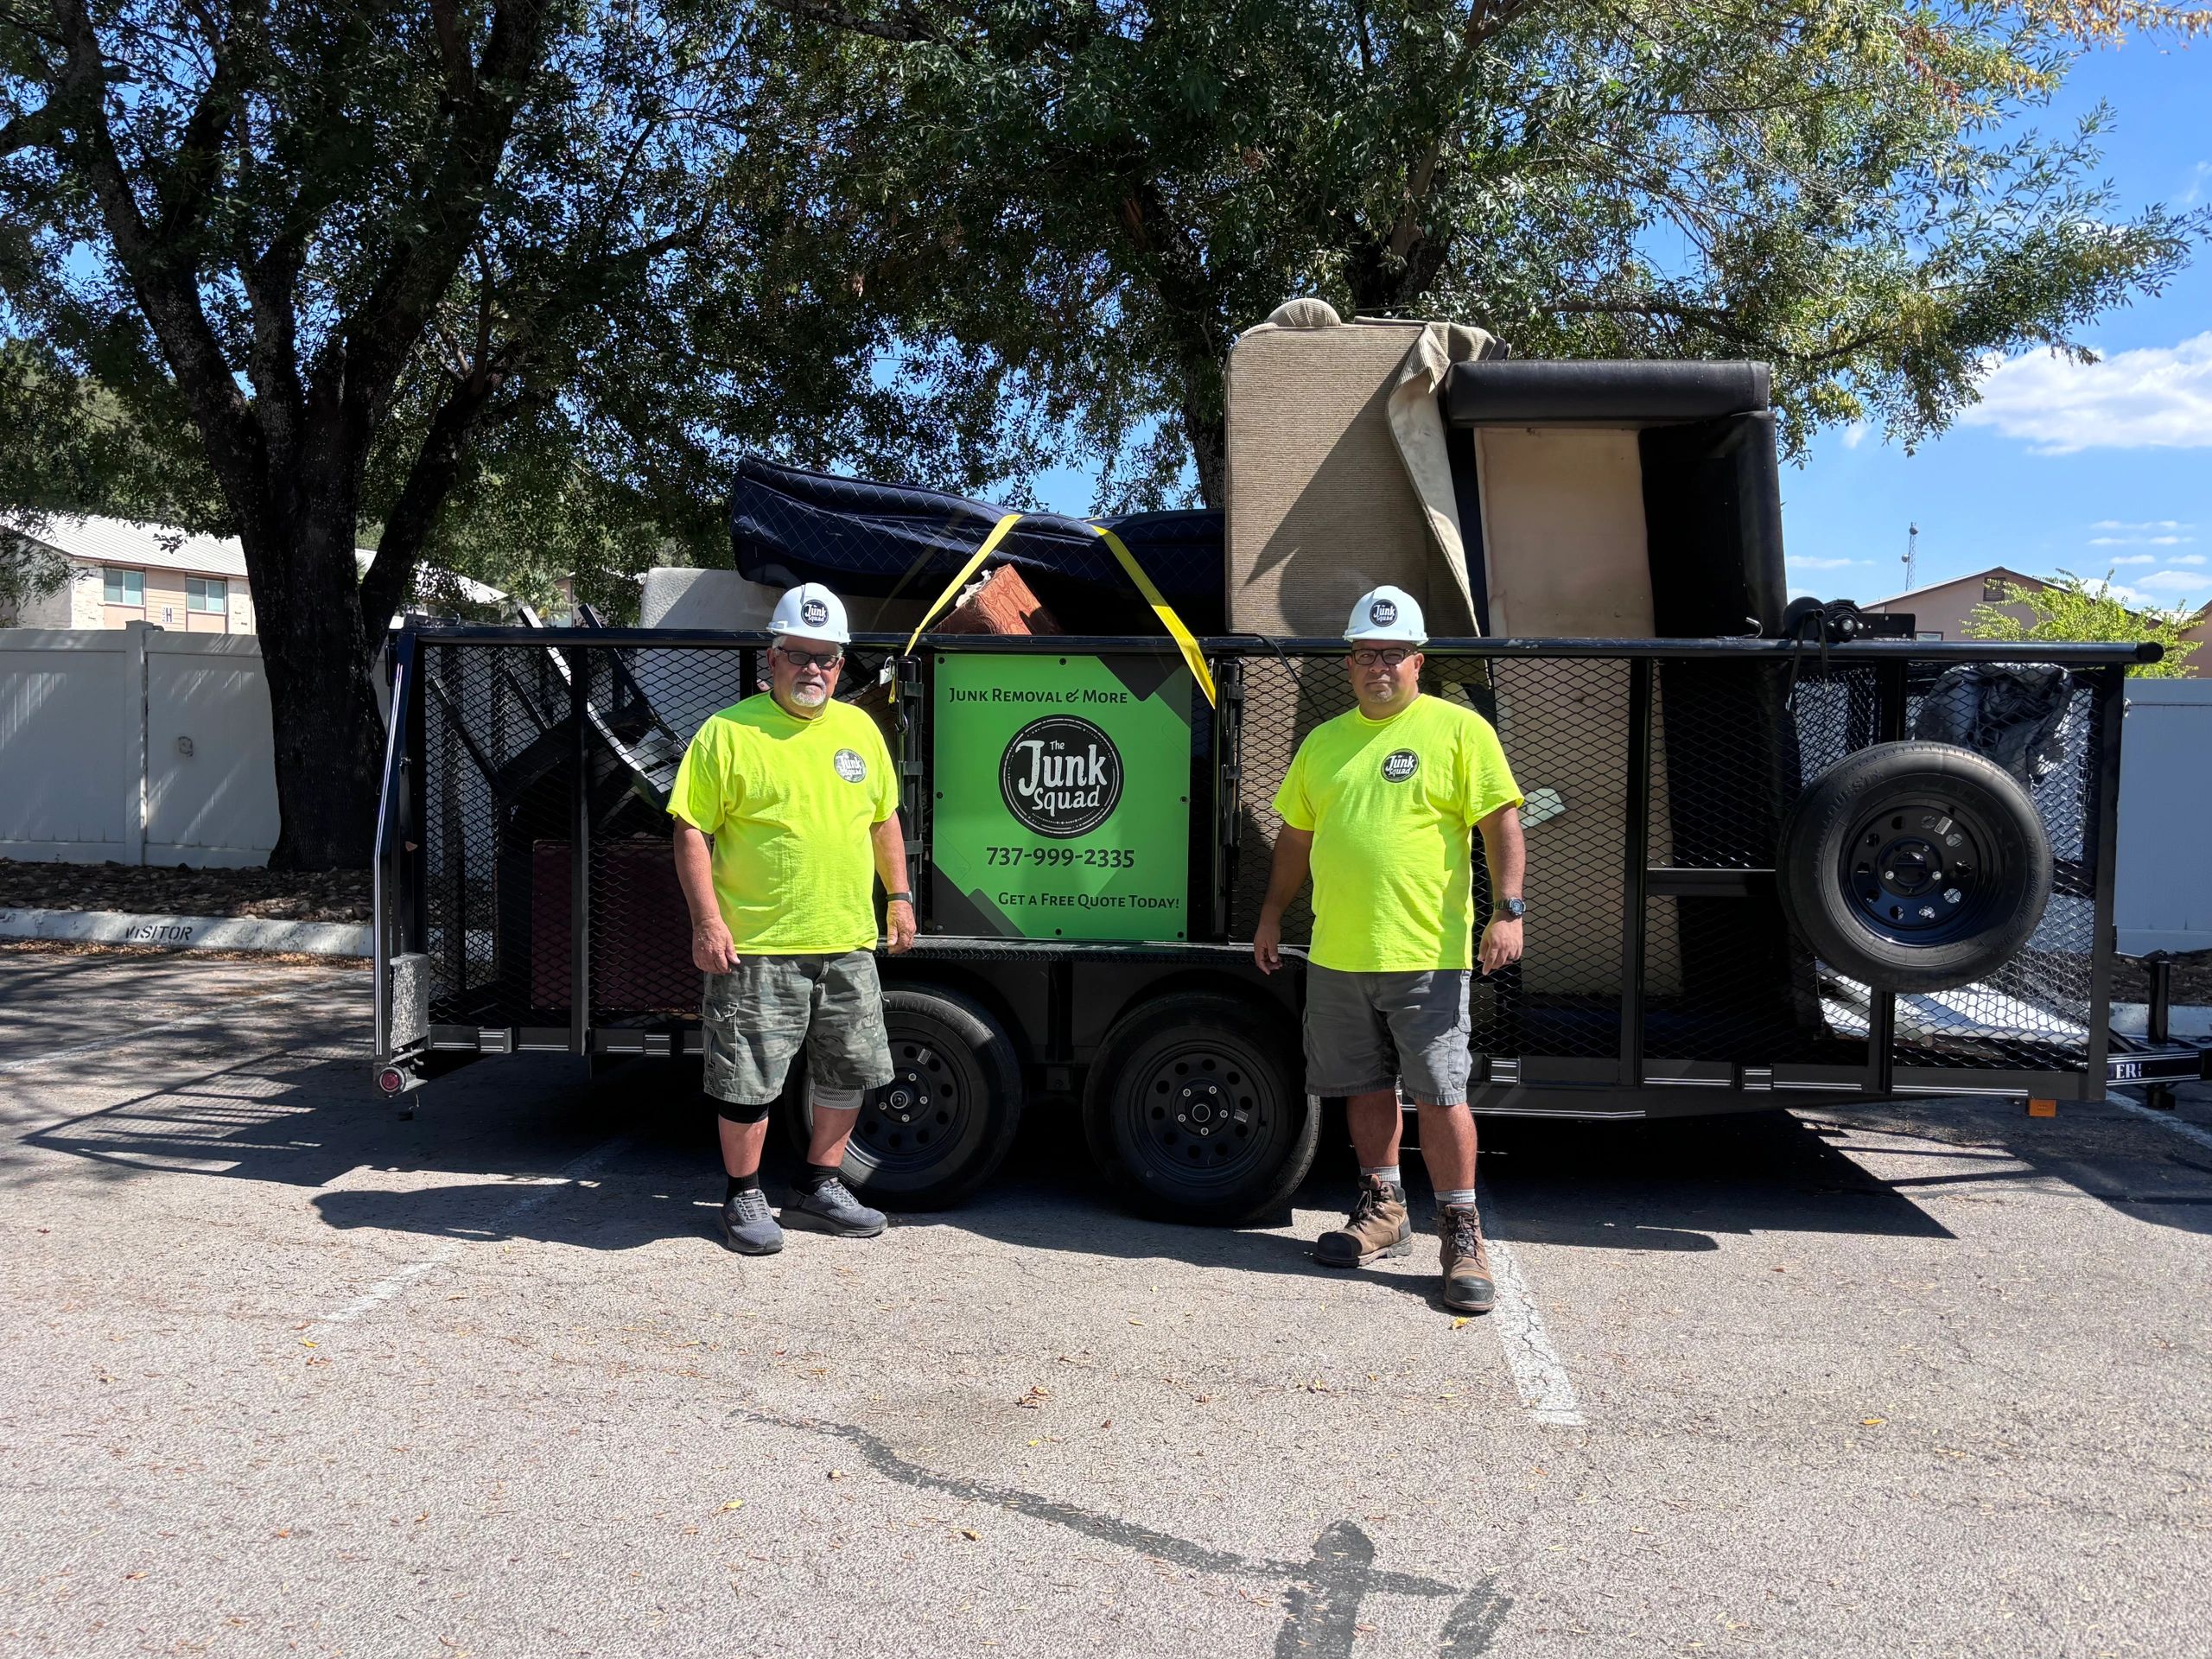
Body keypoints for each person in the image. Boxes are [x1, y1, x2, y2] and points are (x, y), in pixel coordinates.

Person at [1252, 585, 1526, 1313]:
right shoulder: (1323, 743)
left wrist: (1509, 911)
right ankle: (1384, 1209)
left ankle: (1461, 1235)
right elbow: (1296, 839)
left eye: (1395, 653)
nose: (1381, 665)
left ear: (1418, 661)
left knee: (1440, 1094)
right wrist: (1273, 914)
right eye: (1368, 653)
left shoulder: (1459, 732)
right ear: (1350, 662)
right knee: (1362, 1087)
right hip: (1339, 955)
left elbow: (1501, 823)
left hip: (1427, 954)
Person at [669, 582, 917, 1255]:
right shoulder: (728, 734)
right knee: (747, 1080)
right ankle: (743, 1195)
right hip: (758, 946)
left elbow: (883, 819)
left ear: (841, 665)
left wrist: (899, 896)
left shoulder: (860, 730)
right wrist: (707, 922)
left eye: (828, 658)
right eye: (799, 655)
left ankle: (819, 1186)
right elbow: (691, 829)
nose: (815, 669)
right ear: (771, 657)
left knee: (846, 1071)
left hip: (845, 941)